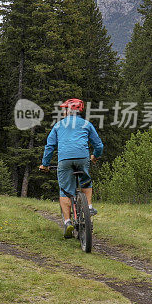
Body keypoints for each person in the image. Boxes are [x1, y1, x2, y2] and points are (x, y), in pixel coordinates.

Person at [39, 98, 103, 238]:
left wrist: (45, 164)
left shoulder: (58, 125)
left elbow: (49, 146)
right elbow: (98, 145)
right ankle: (89, 207)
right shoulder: (87, 124)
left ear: (69, 110)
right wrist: (95, 156)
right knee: (86, 181)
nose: (63, 111)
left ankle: (68, 222)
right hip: (82, 158)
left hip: (65, 160)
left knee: (65, 191)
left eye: (64, 109)